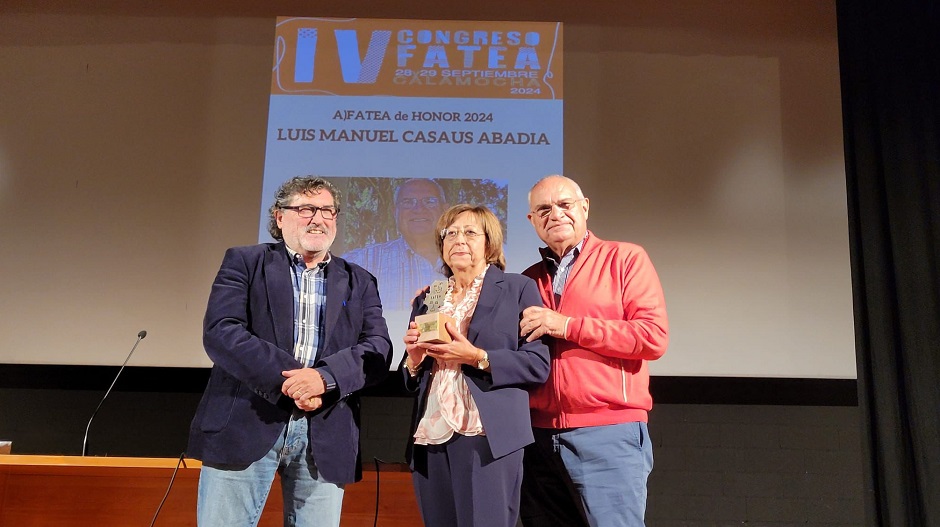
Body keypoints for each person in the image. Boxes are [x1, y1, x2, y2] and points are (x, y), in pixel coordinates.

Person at [187, 176, 393, 527]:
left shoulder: (360, 280)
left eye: (328, 210)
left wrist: (323, 380)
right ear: (280, 217)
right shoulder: (245, 262)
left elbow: (378, 349)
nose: (318, 218)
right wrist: (295, 382)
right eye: (306, 209)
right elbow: (222, 332)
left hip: (326, 430)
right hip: (246, 421)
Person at [518, 175, 669, 527]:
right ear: (531, 221)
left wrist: (567, 325)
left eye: (564, 204)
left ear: (584, 207)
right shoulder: (527, 279)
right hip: (537, 438)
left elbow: (652, 336)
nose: (555, 214)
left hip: (608, 433)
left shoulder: (625, 258)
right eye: (543, 209)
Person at [401, 204, 551, 527]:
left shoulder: (516, 288)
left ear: (490, 243)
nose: (458, 240)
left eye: (470, 233)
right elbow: (412, 375)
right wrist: (413, 361)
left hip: (488, 434)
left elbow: (538, 364)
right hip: (432, 434)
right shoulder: (430, 296)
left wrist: (476, 357)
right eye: (450, 233)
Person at [343, 178, 447, 310]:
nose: (419, 209)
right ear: (394, 211)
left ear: (445, 210)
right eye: (408, 202)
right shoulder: (362, 261)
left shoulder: (471, 262)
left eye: (429, 201)